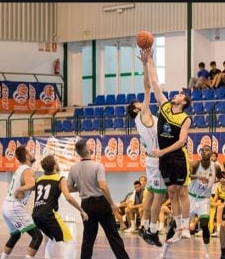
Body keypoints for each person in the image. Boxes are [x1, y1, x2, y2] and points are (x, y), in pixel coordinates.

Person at [146, 49, 193, 247]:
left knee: (182, 192)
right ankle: (178, 228)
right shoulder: (164, 106)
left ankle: (186, 227)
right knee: (171, 193)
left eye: (181, 95)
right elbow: (155, 83)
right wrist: (149, 60)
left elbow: (182, 141)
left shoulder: (185, 118)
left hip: (177, 157)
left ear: (184, 102)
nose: (177, 94)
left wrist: (163, 151)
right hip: (164, 158)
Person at [127, 49, 167, 246]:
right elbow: (148, 86)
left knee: (150, 195)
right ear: (136, 109)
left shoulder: (143, 118)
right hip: (156, 159)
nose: (143, 103)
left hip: (152, 159)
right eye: (139, 103)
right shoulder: (142, 116)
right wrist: (145, 64)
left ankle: (144, 226)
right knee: (159, 197)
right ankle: (152, 231)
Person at [67, 139, 129, 259]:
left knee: (88, 239)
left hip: (86, 205)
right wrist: (112, 203)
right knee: (113, 236)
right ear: (86, 149)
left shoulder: (73, 168)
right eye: (89, 145)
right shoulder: (97, 165)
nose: (91, 146)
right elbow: (103, 186)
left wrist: (81, 187)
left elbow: (69, 188)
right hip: (101, 203)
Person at [32, 155, 89, 259]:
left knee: (52, 239)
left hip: (36, 215)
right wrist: (82, 211)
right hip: (48, 214)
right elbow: (68, 197)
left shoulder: (39, 179)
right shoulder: (60, 179)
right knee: (70, 242)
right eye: (56, 162)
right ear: (54, 166)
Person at [0, 145, 43, 259]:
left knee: (15, 235)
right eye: (30, 152)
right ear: (26, 156)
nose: (32, 154)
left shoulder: (20, 168)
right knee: (37, 237)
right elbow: (32, 184)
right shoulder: (28, 170)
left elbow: (31, 185)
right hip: (14, 206)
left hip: (6, 206)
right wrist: (20, 189)